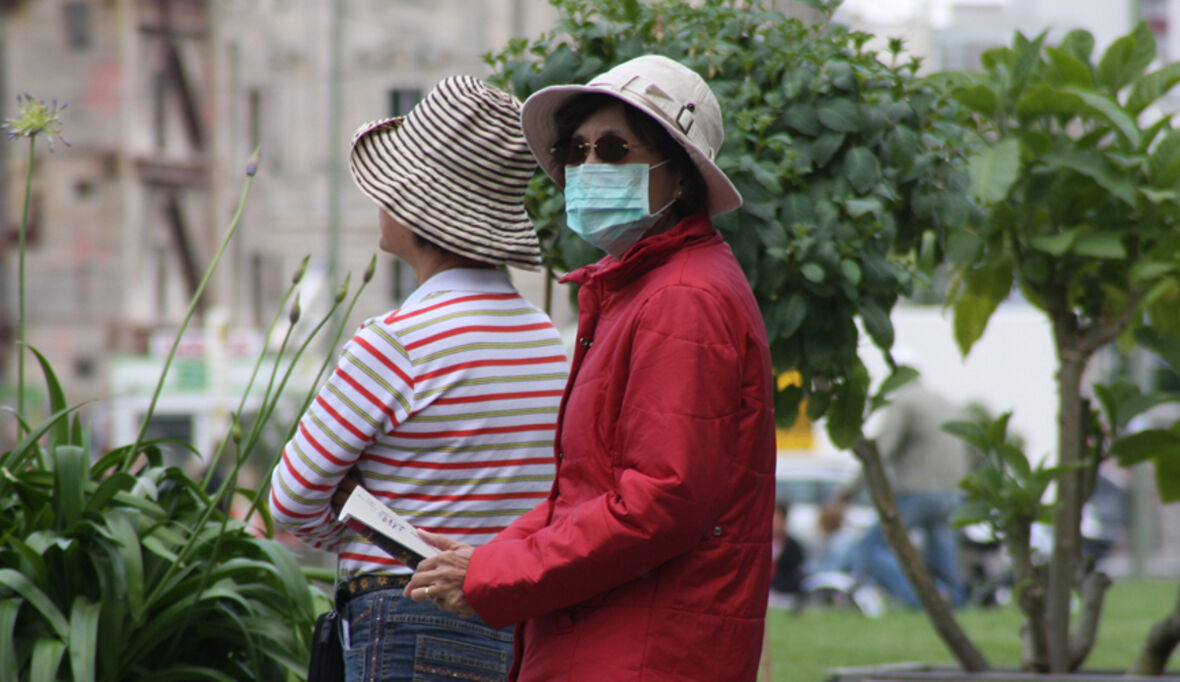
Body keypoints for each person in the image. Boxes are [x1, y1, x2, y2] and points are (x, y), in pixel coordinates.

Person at [404, 55, 777, 681]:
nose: (588, 168)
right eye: (577, 151)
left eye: (613, 148)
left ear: (680, 176)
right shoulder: (642, 289)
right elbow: (591, 492)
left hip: (641, 652)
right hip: (618, 641)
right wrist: (491, 557)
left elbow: (660, 500)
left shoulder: (682, 297)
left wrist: (495, 572)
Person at [268, 75, 569, 681]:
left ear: (415, 210)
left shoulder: (395, 342)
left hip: (404, 620)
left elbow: (290, 498)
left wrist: (370, 523)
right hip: (520, 623)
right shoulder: (549, 343)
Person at [829, 379, 970, 609]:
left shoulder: (904, 401)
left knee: (872, 548)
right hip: (953, 493)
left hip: (918, 491)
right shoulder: (944, 401)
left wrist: (847, 493)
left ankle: (924, 600)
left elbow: (880, 451)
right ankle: (954, 602)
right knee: (944, 556)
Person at [769, 502, 806, 610]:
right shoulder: (762, 544)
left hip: (784, 594)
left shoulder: (792, 546)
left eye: (777, 519)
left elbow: (795, 574)